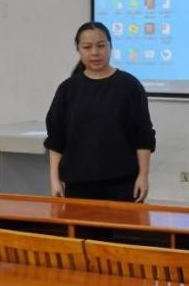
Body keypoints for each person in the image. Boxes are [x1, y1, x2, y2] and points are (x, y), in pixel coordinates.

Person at [45, 21, 155, 202]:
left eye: (101, 46)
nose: (95, 52)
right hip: (77, 185)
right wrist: (54, 179)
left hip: (123, 183)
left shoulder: (129, 86)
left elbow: (143, 134)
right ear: (78, 49)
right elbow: (56, 138)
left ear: (111, 46)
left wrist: (143, 175)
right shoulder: (68, 89)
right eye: (87, 47)